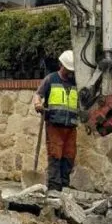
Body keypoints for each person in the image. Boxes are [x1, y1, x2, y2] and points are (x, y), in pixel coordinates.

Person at [33, 50, 79, 192]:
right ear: (61, 65)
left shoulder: (76, 83)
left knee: (69, 157)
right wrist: (38, 104)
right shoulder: (51, 79)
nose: (69, 72)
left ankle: (64, 187)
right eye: (67, 69)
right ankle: (54, 188)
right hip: (54, 125)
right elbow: (38, 94)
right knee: (55, 156)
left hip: (71, 126)